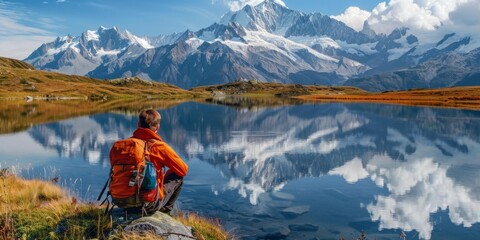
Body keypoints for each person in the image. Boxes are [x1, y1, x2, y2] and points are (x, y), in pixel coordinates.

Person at [126, 109, 188, 215]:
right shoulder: (159, 147)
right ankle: (164, 211)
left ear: (138, 124)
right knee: (178, 176)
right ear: (157, 127)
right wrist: (164, 176)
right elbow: (183, 170)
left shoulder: (126, 145)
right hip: (148, 205)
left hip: (124, 201)